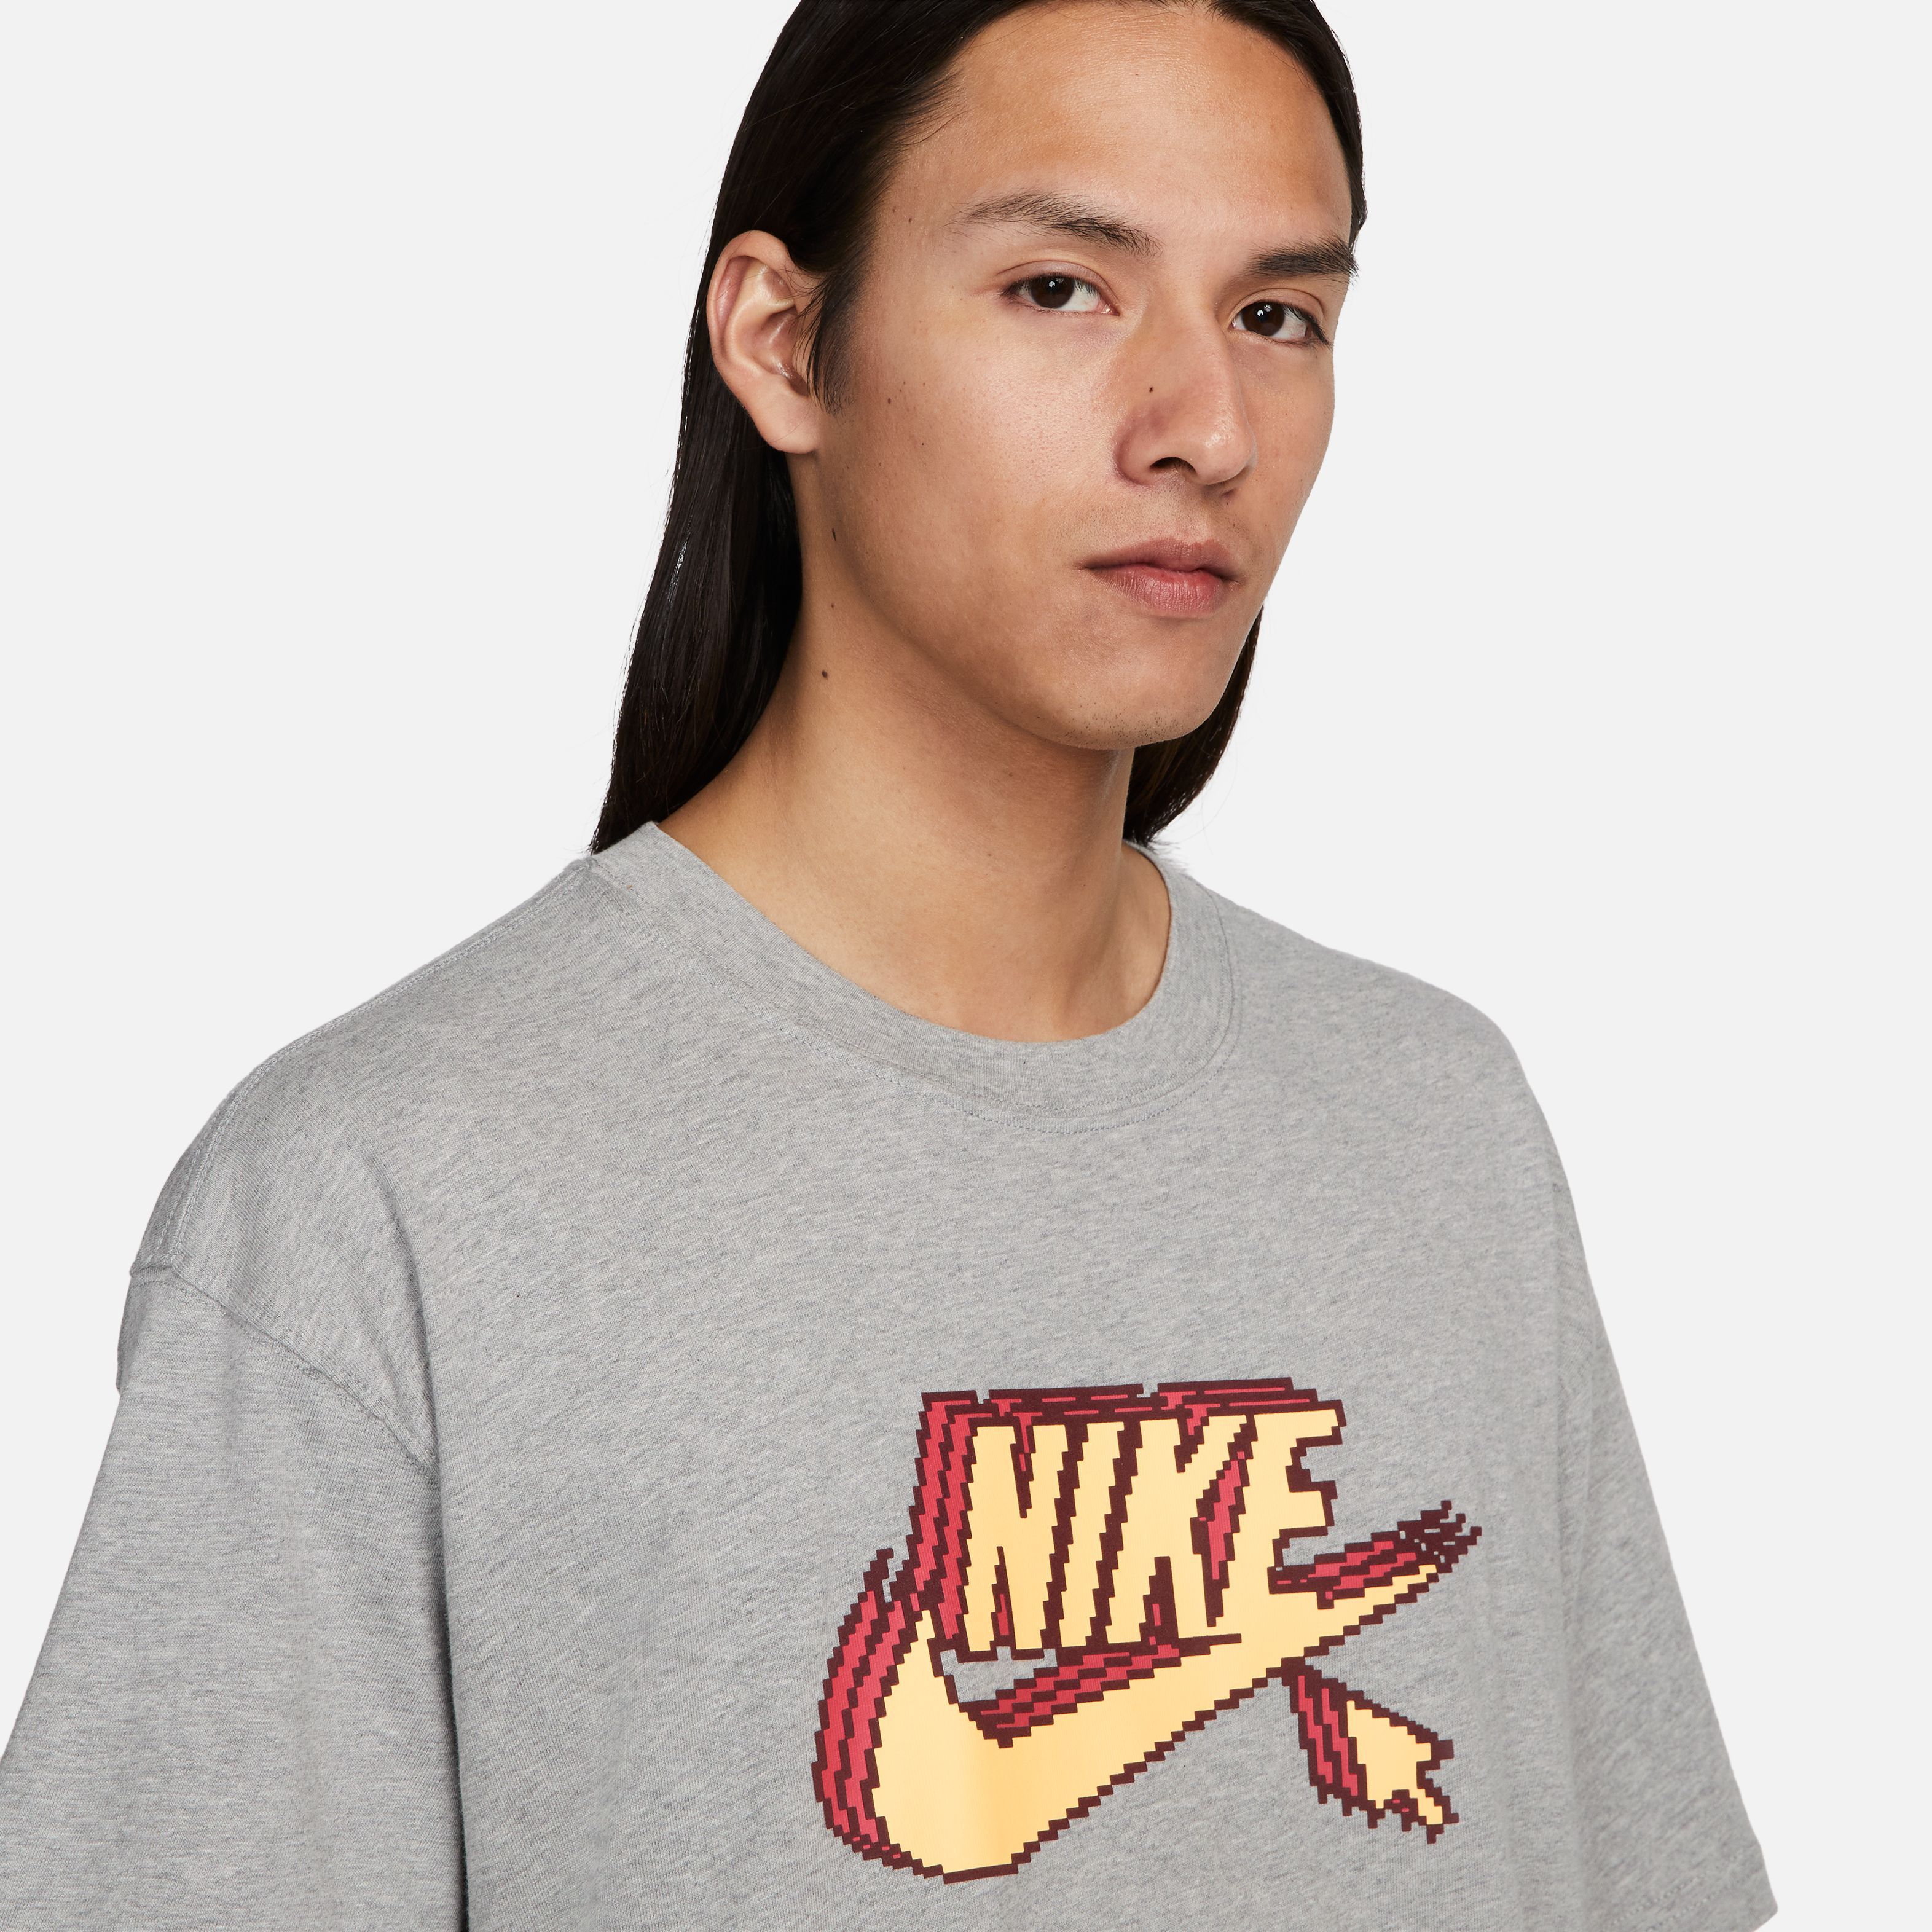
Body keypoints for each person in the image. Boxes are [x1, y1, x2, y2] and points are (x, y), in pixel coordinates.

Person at [0, 2, 1773, 1926]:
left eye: (1278, 314)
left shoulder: (1438, 1125)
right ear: (783, 341)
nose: (1205, 428)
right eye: (1059, 288)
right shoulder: (384, 1196)